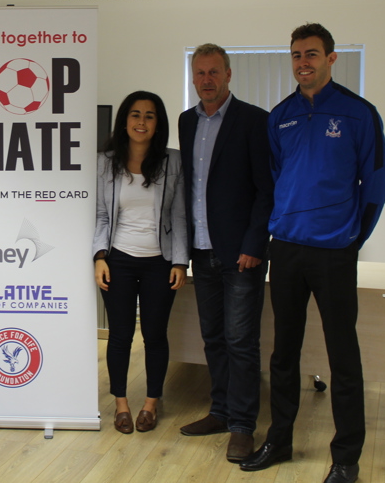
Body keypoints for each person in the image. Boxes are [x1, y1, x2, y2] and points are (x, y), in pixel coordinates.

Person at [240, 24, 385, 483]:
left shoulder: (359, 114)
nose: (302, 62)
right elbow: (276, 179)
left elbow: (376, 184)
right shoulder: (279, 116)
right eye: (295, 56)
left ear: (331, 58)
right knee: (283, 354)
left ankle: (346, 459)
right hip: (285, 250)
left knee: (343, 358)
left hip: (334, 253)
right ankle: (279, 440)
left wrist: (352, 239)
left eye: (311, 54)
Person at [177, 44, 273, 462]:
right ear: (193, 78)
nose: (207, 79)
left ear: (229, 75)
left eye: (214, 71)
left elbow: (266, 191)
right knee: (213, 338)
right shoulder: (184, 122)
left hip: (240, 255)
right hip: (201, 249)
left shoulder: (254, 121)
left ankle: (242, 426)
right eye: (200, 73)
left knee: (240, 341)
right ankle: (219, 411)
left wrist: (255, 244)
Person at [93, 90, 188, 435]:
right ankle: (121, 403)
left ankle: (151, 403)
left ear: (158, 122)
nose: (141, 122)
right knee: (119, 336)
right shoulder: (105, 162)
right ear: (124, 121)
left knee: (155, 335)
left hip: (159, 262)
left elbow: (179, 216)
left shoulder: (172, 161)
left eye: (149, 115)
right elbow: (101, 215)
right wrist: (99, 256)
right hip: (118, 260)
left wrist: (180, 262)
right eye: (135, 114)